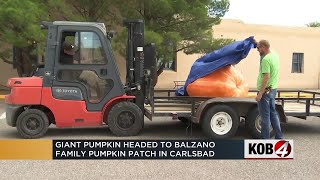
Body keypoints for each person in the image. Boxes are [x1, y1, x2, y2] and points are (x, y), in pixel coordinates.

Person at [255, 40, 283, 139]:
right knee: (273, 113)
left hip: (266, 91)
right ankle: (279, 137)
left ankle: (265, 140)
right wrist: (257, 42)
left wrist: (260, 94)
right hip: (272, 89)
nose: (257, 50)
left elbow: (266, 77)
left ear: (263, 47)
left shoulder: (266, 60)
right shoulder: (275, 56)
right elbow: (265, 50)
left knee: (265, 117)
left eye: (258, 48)